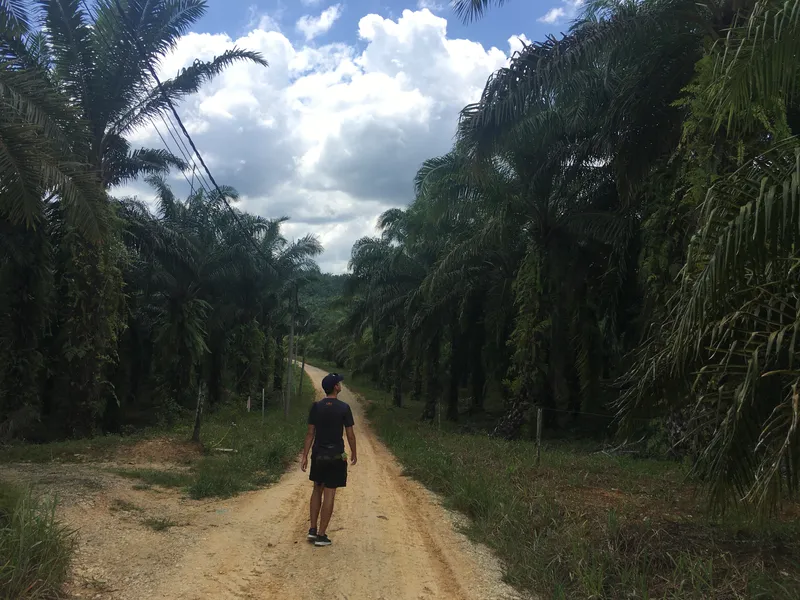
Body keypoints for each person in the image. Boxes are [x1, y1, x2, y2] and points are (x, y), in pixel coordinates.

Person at [301, 372, 357, 547]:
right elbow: (350, 434)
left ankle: (312, 529)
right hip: (336, 456)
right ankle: (322, 535)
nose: (340, 385)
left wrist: (304, 455)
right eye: (339, 383)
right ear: (335, 387)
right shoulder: (344, 408)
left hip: (318, 455)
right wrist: (354, 452)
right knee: (330, 493)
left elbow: (310, 433)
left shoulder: (316, 407)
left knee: (317, 489)